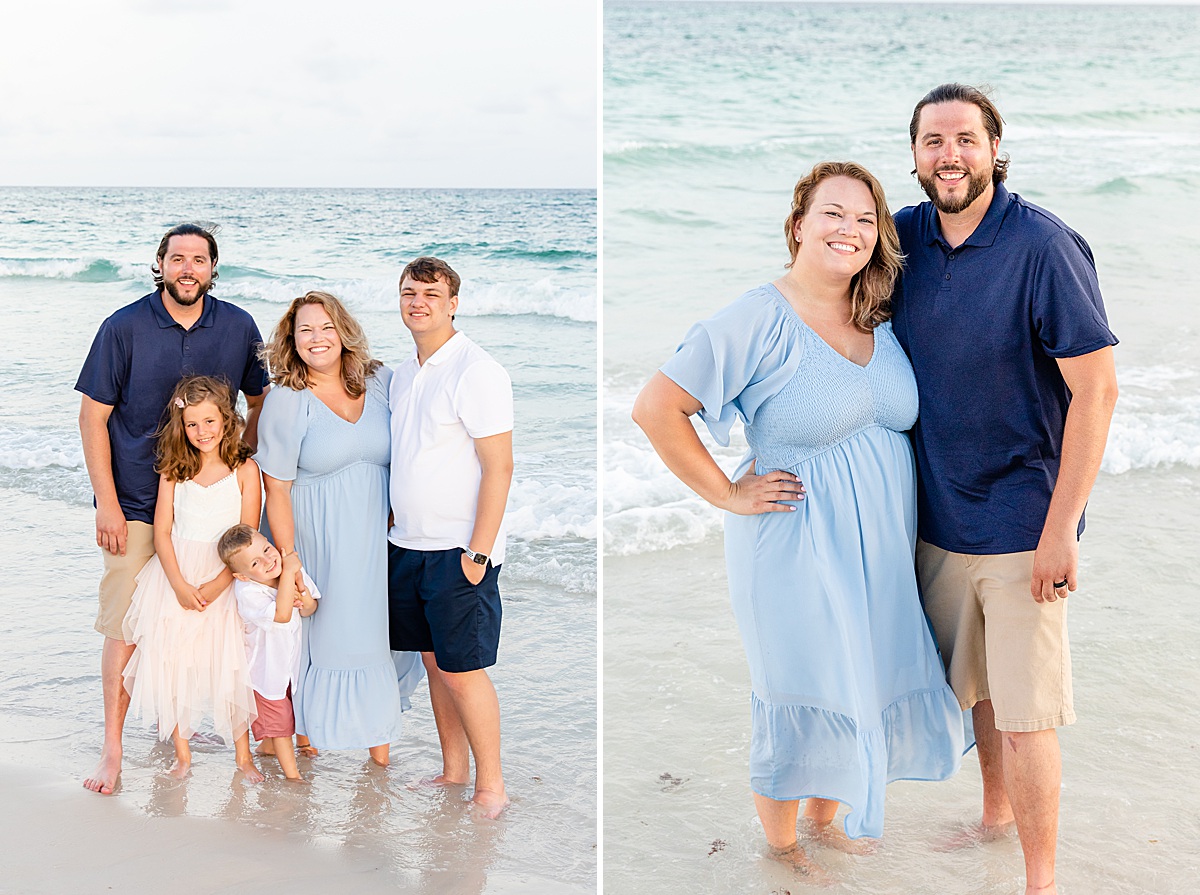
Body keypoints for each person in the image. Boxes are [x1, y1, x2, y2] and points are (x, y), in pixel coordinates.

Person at [632, 162, 966, 874]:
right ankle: (781, 850)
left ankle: (826, 818)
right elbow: (656, 408)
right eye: (832, 214)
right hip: (795, 542)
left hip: (877, 549)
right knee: (801, 681)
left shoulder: (877, 316)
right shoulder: (758, 315)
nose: (849, 229)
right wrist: (726, 492)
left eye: (865, 219)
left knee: (860, 674)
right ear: (797, 226)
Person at [893, 84, 1119, 895]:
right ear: (914, 153)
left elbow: (1097, 391)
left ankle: (1040, 881)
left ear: (995, 147)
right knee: (980, 691)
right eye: (931, 141)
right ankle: (992, 816)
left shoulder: (1044, 246)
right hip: (938, 514)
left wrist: (1062, 529)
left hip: (1026, 518)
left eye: (964, 139)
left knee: (1027, 715)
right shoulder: (902, 236)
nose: (948, 155)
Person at [76, 223, 269, 795]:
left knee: (216, 629)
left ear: (213, 267)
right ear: (160, 264)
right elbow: (93, 417)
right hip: (137, 503)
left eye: (199, 259)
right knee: (129, 627)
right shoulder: (124, 326)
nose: (188, 268)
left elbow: (260, 401)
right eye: (177, 258)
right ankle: (113, 749)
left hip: (213, 514)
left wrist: (239, 470)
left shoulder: (238, 326)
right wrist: (106, 503)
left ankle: (175, 730)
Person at [256, 290, 421, 766]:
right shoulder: (288, 399)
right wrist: (289, 561)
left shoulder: (382, 381)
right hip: (316, 536)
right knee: (325, 637)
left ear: (343, 332)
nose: (317, 338)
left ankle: (379, 752)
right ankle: (303, 738)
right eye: (305, 329)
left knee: (378, 637)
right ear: (292, 340)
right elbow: (278, 490)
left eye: (326, 327)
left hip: (376, 537)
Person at [387, 257, 515, 818]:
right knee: (435, 664)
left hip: (458, 552)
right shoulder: (403, 372)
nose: (419, 302)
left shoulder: (476, 370)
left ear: (454, 302)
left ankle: (492, 786)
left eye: (431, 294)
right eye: (410, 292)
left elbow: (499, 467)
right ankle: (453, 770)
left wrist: (479, 553)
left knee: (463, 669)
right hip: (409, 545)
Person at [120, 375, 263, 781]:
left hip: (225, 575)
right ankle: (183, 756)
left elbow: (248, 537)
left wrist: (221, 583)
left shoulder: (244, 470)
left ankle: (244, 756)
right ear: (182, 426)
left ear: (227, 420)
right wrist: (180, 585)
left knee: (229, 664)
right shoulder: (173, 471)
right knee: (174, 663)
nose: (202, 432)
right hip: (176, 575)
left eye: (210, 422)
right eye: (192, 424)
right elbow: (162, 532)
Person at [218, 523, 320, 782]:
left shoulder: (289, 571)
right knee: (282, 725)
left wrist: (302, 596)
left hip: (290, 668)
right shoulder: (249, 591)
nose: (267, 561)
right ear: (242, 575)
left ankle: (266, 749)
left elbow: (310, 608)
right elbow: (282, 615)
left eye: (266, 549)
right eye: (254, 563)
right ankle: (293, 778)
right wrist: (290, 574)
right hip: (265, 675)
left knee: (290, 715)